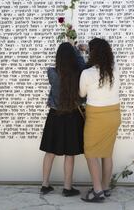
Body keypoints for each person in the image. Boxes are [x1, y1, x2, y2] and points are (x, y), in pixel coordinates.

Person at [39, 42, 86, 197]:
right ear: (72, 57)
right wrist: (77, 52)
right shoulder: (79, 73)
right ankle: (67, 188)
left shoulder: (51, 72)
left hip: (55, 115)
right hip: (73, 116)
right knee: (69, 153)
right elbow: (82, 66)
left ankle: (45, 185)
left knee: (50, 151)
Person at [79, 38, 121, 202]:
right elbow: (110, 57)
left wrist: (82, 51)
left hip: (96, 115)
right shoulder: (114, 69)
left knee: (90, 153)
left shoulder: (87, 73)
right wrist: (89, 49)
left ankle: (97, 192)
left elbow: (82, 94)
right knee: (107, 153)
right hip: (114, 114)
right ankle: (105, 187)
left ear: (92, 54)